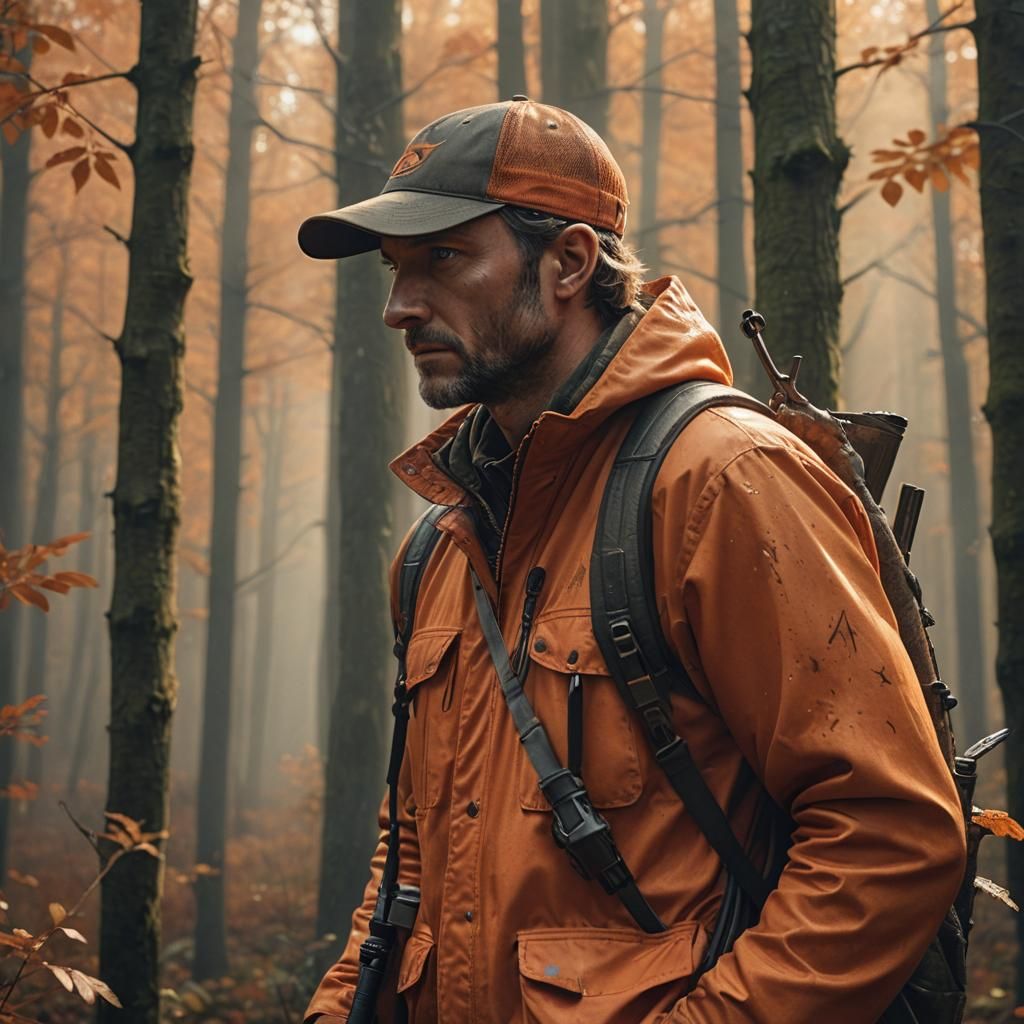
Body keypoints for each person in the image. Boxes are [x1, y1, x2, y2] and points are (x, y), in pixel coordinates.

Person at [297, 96, 966, 1024]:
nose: (398, 306)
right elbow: (411, 847)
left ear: (569, 262)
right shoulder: (439, 545)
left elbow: (888, 838)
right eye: (396, 268)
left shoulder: (721, 480)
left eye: (442, 258)